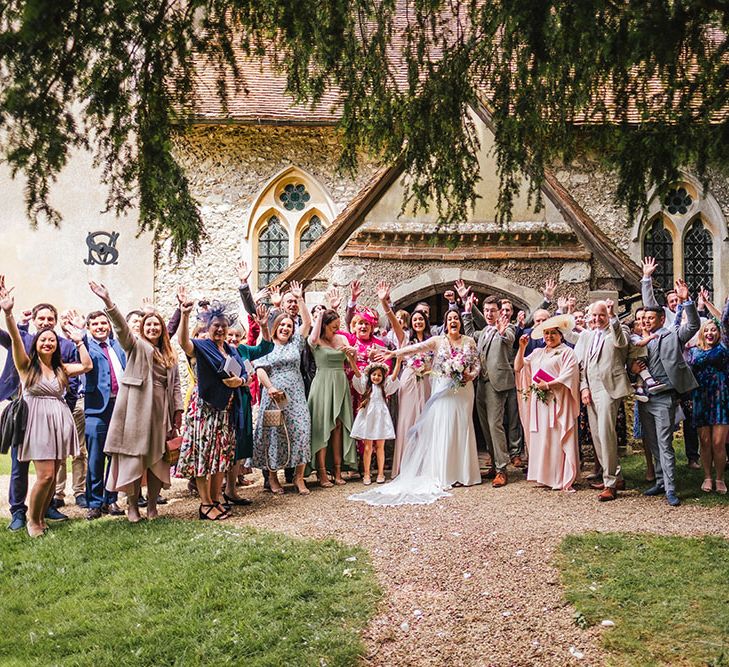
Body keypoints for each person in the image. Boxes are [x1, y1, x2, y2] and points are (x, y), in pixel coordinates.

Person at [350, 309, 481, 506]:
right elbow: (415, 348)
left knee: (463, 426)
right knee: (444, 427)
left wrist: (470, 375)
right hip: (443, 389)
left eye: (456, 318)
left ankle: (464, 473)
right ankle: (444, 473)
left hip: (464, 391)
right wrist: (394, 353)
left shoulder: (469, 342)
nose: (453, 321)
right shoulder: (438, 340)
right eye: (450, 318)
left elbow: (476, 364)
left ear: (460, 323)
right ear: (446, 323)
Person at [0, 279, 92, 537]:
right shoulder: (26, 365)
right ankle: (30, 519)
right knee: (44, 475)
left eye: (52, 339)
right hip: (37, 422)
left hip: (58, 422)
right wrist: (8, 313)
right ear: (36, 343)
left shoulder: (61, 368)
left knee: (51, 477)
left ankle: (40, 518)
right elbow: (16, 339)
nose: (48, 342)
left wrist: (79, 339)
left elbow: (86, 366)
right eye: (43, 340)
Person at [88, 282, 183, 521]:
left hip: (161, 411)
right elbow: (121, 329)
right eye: (148, 324)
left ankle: (152, 505)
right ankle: (132, 506)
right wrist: (108, 302)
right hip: (136, 410)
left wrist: (178, 411)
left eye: (156, 325)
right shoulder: (135, 346)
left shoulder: (170, 354)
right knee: (134, 459)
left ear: (162, 329)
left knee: (157, 460)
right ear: (142, 329)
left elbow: (176, 385)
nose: (153, 328)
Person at [177, 296, 270, 520]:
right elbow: (183, 343)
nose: (219, 329)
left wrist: (241, 381)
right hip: (205, 411)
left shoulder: (232, 350)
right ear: (208, 328)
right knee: (204, 457)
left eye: (223, 326)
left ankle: (217, 499)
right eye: (215, 326)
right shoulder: (202, 346)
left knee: (221, 458)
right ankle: (205, 504)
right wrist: (185, 314)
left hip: (227, 411)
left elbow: (247, 374)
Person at [633, 278, 700, 507]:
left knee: (664, 442)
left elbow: (693, 326)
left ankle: (671, 488)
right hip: (644, 397)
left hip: (665, 397)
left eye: (652, 318)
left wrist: (686, 300)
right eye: (645, 319)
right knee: (652, 442)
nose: (648, 321)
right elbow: (629, 364)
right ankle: (660, 481)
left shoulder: (673, 335)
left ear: (661, 319)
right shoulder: (638, 341)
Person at [253, 281, 313, 495]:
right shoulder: (267, 343)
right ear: (275, 327)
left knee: (302, 431)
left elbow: (307, 322)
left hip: (296, 396)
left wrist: (300, 299)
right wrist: (269, 388)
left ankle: (298, 478)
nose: (286, 328)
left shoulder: (296, 342)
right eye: (282, 325)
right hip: (274, 397)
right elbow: (259, 369)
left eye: (289, 325)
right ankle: (272, 477)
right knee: (273, 434)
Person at [515, 314, 580, 492]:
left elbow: (569, 375)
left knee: (555, 438)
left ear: (561, 334)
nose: (549, 337)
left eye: (553, 333)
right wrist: (522, 349)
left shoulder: (567, 352)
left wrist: (548, 385)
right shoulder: (537, 353)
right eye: (546, 333)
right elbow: (518, 367)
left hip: (558, 402)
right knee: (542, 438)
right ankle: (543, 476)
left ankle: (559, 477)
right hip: (539, 404)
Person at [573, 299, 630, 501]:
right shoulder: (589, 336)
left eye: (602, 315)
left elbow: (621, 343)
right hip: (592, 388)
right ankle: (617, 475)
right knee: (597, 437)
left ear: (608, 315)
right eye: (594, 315)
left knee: (606, 434)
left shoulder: (619, 329)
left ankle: (610, 483)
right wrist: (584, 387)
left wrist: (613, 316)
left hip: (609, 388)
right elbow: (583, 366)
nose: (597, 319)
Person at [463, 294, 515, 487]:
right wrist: (467, 311)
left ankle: (502, 469)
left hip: (497, 383)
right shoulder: (483, 330)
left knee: (495, 425)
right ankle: (494, 463)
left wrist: (501, 331)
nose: (489, 314)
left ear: (500, 312)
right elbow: (469, 334)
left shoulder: (508, 328)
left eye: (493, 310)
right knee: (485, 426)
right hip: (481, 383)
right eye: (486, 310)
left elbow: (509, 340)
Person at [82, 307, 127, 519]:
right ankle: (94, 502)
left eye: (103, 323)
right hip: (96, 409)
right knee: (95, 458)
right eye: (95, 324)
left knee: (115, 457)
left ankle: (111, 500)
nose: (100, 327)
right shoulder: (86, 346)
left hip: (119, 407)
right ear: (89, 328)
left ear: (109, 326)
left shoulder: (118, 346)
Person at [307, 308, 359, 485]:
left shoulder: (342, 338)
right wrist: (320, 316)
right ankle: (321, 473)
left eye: (338, 326)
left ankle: (337, 471)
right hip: (322, 384)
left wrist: (353, 353)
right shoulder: (316, 340)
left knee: (338, 426)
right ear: (324, 325)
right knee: (322, 427)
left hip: (340, 382)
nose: (336, 330)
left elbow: (352, 365)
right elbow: (312, 339)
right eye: (333, 327)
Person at [686, 294, 729, 494]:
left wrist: (708, 304)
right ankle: (707, 477)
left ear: (718, 333)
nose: (710, 332)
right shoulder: (694, 352)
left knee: (719, 442)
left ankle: (720, 478)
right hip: (701, 398)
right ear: (702, 333)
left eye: (714, 330)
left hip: (720, 398)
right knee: (704, 441)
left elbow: (723, 321)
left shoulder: (724, 349)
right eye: (707, 330)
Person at [391, 308, 434, 477]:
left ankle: (425, 465)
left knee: (426, 419)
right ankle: (405, 464)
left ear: (426, 322)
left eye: (421, 319)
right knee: (407, 419)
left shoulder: (432, 340)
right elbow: (394, 324)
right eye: (415, 320)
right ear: (411, 323)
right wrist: (385, 305)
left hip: (427, 380)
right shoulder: (406, 338)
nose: (418, 322)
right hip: (409, 380)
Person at [350, 361, 400, 484]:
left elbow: (393, 376)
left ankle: (381, 473)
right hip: (368, 419)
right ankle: (367, 473)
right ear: (369, 375)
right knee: (367, 447)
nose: (376, 377)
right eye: (374, 374)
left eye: (379, 375)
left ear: (383, 377)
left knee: (380, 447)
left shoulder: (385, 389)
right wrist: (351, 359)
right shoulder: (365, 388)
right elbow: (357, 373)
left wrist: (398, 361)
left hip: (381, 420)